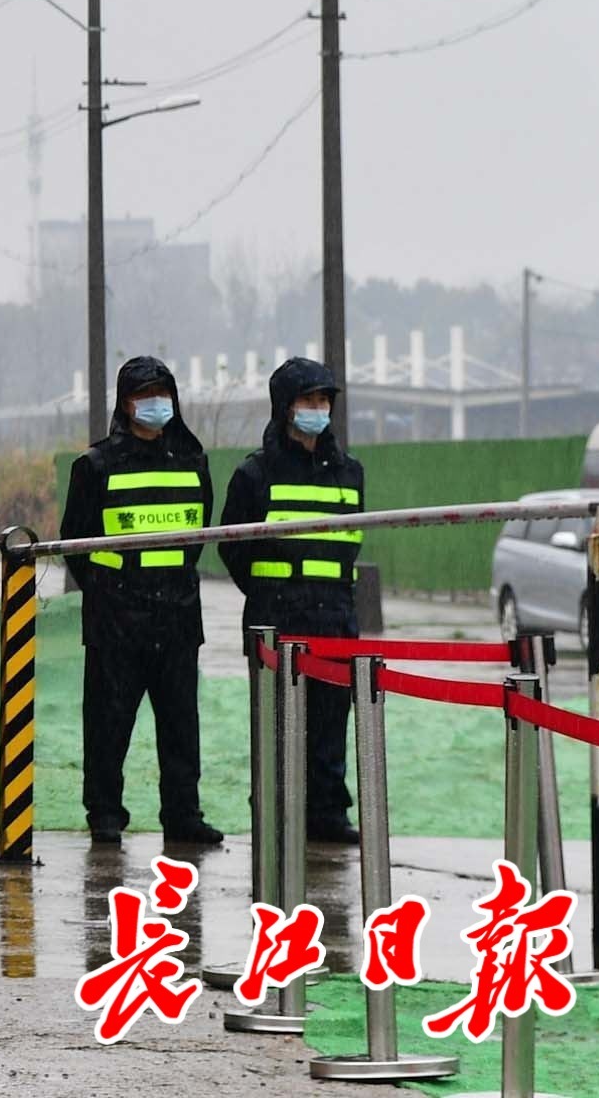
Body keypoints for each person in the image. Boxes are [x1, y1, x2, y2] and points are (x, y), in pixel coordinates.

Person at [61, 355, 225, 847]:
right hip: (116, 619)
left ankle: (183, 815)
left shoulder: (193, 461)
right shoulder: (95, 465)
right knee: (108, 725)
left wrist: (167, 587)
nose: (155, 404)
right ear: (125, 403)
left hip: (176, 616)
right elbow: (76, 543)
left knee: (180, 726)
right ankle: (105, 815)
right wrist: (113, 592)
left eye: (162, 394)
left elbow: (196, 537)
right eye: (144, 395)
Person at [220, 356, 363, 843]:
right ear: (285, 408)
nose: (317, 410)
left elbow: (351, 544)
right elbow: (232, 548)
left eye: (324, 401)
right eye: (308, 401)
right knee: (279, 727)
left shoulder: (350, 473)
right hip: (276, 618)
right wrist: (273, 593)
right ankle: (277, 812)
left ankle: (327, 814)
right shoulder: (254, 475)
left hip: (335, 617)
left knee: (329, 727)